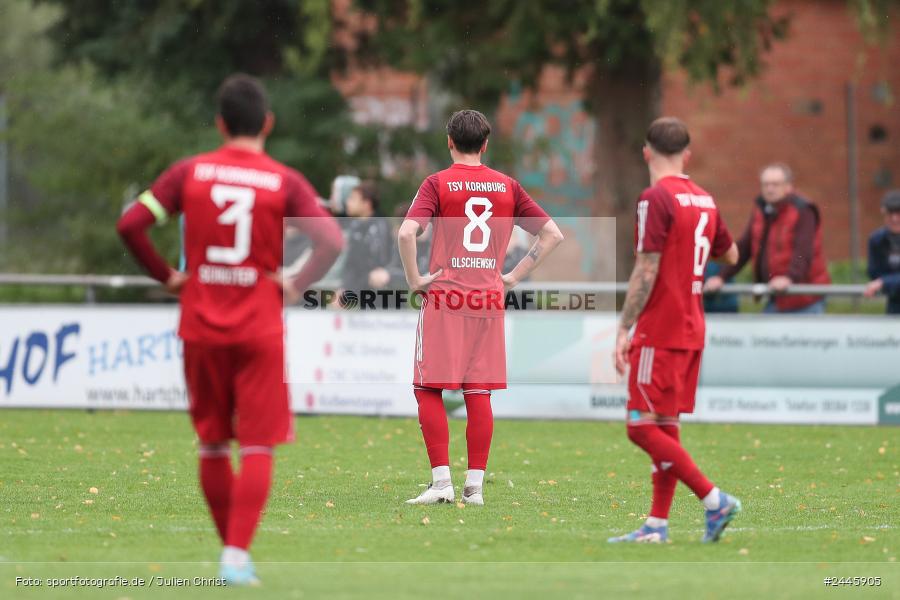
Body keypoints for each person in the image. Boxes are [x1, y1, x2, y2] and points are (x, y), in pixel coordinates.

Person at [116, 74, 343, 585]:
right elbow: (330, 240)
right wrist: (294, 282)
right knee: (257, 445)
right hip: (259, 327)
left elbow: (130, 224)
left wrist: (169, 277)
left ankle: (232, 556)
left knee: (214, 444)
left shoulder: (189, 173)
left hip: (200, 324)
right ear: (267, 123)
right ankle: (236, 557)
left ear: (220, 124)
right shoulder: (282, 180)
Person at [398, 109, 563, 505]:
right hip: (487, 298)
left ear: (450, 142)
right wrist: (513, 277)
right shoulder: (507, 186)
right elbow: (552, 234)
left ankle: (441, 484)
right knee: (478, 391)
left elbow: (407, 232)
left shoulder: (437, 183)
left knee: (426, 387)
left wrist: (415, 279)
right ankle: (474, 488)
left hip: (446, 296)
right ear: (485, 145)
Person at [610, 117, 741, 544]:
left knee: (639, 426)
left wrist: (624, 326)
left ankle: (713, 498)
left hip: (661, 327)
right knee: (664, 424)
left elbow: (646, 267)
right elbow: (732, 252)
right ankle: (656, 525)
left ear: (646, 152)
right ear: (687, 154)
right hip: (692, 326)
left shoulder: (655, 197)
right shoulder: (704, 199)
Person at [704, 163, 830, 313]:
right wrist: (721, 277)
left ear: (788, 186)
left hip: (804, 296)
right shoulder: (762, 210)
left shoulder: (803, 210)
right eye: (766, 184)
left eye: (776, 184)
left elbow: (803, 250)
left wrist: (789, 278)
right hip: (777, 294)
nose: (770, 189)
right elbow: (745, 247)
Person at [338, 180, 393, 304]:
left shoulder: (380, 227)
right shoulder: (354, 227)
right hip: (359, 292)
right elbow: (351, 264)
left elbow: (378, 266)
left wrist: (348, 290)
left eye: (352, 199)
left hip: (381, 297)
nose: (348, 203)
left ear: (366, 204)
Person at [864, 189, 900, 314]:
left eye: (898, 213)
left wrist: (885, 282)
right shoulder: (876, 240)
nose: (894, 218)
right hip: (894, 303)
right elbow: (874, 273)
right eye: (890, 213)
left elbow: (879, 280)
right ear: (883, 213)